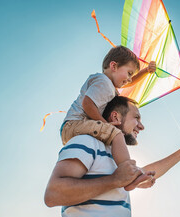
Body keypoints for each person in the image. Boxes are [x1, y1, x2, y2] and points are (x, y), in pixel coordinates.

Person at [44, 96, 180, 217]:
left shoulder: (115, 157)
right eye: (136, 118)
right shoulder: (86, 142)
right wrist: (114, 180)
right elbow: (53, 194)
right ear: (116, 117)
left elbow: (147, 172)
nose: (142, 126)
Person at [61, 45, 156, 174]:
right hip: (74, 124)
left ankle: (118, 168)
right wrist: (105, 124)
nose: (129, 79)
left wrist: (145, 71)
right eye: (129, 73)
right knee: (115, 134)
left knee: (111, 135)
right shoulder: (104, 83)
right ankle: (128, 171)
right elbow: (87, 104)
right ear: (114, 66)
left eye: (131, 75)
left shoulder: (108, 84)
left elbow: (131, 81)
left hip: (74, 126)